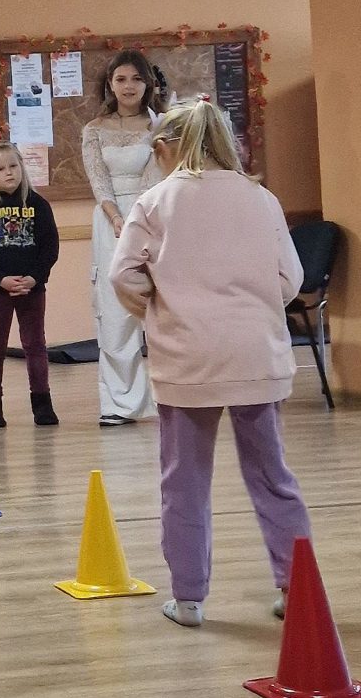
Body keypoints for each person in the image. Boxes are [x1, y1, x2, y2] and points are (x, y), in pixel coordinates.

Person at [110, 98, 309, 628]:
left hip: (187, 361)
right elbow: (290, 279)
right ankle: (297, 588)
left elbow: (123, 276)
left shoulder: (154, 202)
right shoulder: (261, 198)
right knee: (273, 476)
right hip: (256, 356)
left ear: (165, 148)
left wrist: (160, 307)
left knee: (184, 481)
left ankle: (190, 599)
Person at [82, 49, 166, 425]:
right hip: (109, 221)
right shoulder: (94, 129)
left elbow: (157, 175)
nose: (128, 86)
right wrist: (116, 217)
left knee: (162, 305)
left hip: (153, 216)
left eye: (136, 79)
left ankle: (173, 397)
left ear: (148, 83)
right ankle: (119, 403)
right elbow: (99, 180)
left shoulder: (161, 125)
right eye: (120, 79)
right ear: (110, 85)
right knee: (115, 312)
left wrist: (137, 220)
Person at [0, 142, 60, 428]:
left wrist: (35, 277)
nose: (8, 172)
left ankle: (42, 404)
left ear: (21, 167)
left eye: (13, 166)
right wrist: (0, 280)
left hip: (32, 288)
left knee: (35, 345)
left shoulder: (38, 205)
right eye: (0, 169)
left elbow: (50, 247)